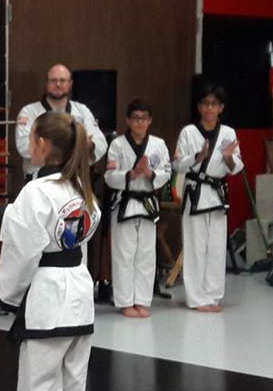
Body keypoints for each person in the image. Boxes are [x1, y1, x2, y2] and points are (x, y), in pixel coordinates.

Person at [0, 111, 100, 391]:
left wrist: (8, 296)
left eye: (31, 138)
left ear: (41, 143)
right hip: (79, 294)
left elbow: (23, 251)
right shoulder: (81, 188)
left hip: (48, 300)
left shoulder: (36, 191)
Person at [174, 82, 243, 312]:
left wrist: (228, 158)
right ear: (199, 107)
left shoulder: (228, 133)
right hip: (196, 191)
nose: (209, 108)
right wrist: (197, 156)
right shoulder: (188, 132)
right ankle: (196, 298)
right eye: (205, 103)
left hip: (217, 193)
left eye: (214, 104)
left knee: (216, 247)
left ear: (221, 107)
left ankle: (213, 295)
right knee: (195, 246)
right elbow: (177, 164)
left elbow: (236, 166)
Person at [104, 100, 171, 318]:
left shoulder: (158, 145)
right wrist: (132, 174)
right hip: (125, 202)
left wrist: (150, 174)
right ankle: (125, 302)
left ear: (150, 121)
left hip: (148, 203)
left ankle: (142, 300)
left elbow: (167, 172)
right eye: (135, 118)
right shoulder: (117, 145)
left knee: (146, 254)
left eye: (143, 118)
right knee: (124, 254)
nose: (139, 122)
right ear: (128, 120)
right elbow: (109, 176)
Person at [15, 63, 107, 181]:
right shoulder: (29, 112)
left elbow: (100, 144)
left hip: (74, 179)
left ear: (70, 84)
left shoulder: (82, 111)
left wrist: (49, 145)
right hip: (38, 179)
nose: (58, 84)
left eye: (62, 80)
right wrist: (75, 144)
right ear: (47, 83)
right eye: (53, 80)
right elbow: (23, 146)